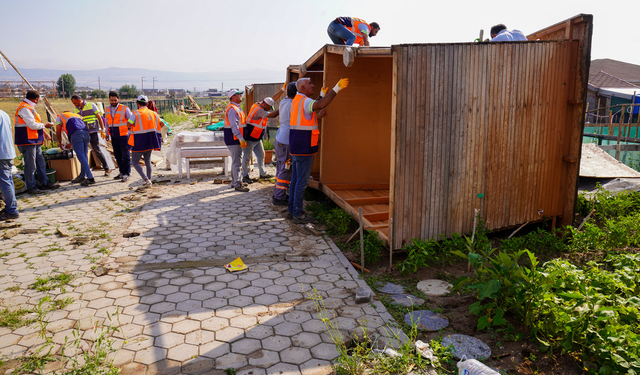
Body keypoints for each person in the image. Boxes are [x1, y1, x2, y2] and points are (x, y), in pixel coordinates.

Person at [288, 77, 349, 223]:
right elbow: (319, 104)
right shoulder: (305, 101)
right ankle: (298, 214)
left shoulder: (297, 100)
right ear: (303, 88)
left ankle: (292, 211)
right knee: (301, 183)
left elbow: (313, 107)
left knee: (295, 181)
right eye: (310, 83)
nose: (313, 84)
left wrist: (321, 94)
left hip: (297, 147)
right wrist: (336, 89)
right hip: (304, 148)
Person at [14, 90, 56, 194]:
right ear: (36, 99)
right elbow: (32, 125)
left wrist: (44, 133)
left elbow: (36, 124)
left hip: (34, 140)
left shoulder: (29, 107)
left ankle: (44, 182)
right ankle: (31, 186)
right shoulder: (24, 108)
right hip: (27, 141)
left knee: (40, 163)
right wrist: (45, 125)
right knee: (30, 165)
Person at [47, 112, 95, 186]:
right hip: (86, 133)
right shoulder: (76, 115)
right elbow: (79, 128)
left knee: (81, 156)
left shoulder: (60, 116)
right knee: (84, 156)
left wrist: (60, 143)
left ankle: (90, 178)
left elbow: (58, 132)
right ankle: (82, 176)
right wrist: (72, 143)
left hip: (76, 134)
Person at [242, 97, 279, 184]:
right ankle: (245, 176)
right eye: (269, 107)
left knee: (261, 154)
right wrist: (283, 108)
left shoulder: (259, 105)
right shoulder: (258, 110)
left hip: (257, 137)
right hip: (250, 137)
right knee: (247, 157)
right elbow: (272, 115)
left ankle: (262, 173)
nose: (269, 109)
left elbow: (273, 98)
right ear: (265, 104)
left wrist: (282, 90)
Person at [71, 95, 111, 176]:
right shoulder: (75, 110)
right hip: (83, 133)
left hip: (93, 132)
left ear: (79, 100)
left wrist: (103, 130)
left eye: (75, 103)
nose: (74, 105)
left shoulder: (91, 105)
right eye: (73, 103)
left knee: (97, 150)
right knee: (83, 153)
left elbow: (99, 117)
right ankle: (83, 172)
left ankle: (107, 168)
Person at [127, 95, 161, 187]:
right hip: (150, 141)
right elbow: (161, 123)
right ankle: (149, 180)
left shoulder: (135, 113)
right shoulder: (153, 113)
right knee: (148, 161)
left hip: (138, 141)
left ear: (137, 103)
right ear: (147, 104)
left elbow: (128, 124)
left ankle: (146, 179)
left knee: (134, 161)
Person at [272, 82, 297, 206]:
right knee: (286, 169)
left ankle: (278, 192)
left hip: (280, 138)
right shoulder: (294, 104)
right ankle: (279, 197)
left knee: (281, 166)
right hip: (286, 141)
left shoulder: (283, 102)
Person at [223, 90, 249, 192]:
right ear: (233, 97)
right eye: (239, 94)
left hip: (235, 139)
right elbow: (234, 126)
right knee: (236, 162)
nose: (241, 96)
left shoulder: (236, 108)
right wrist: (241, 138)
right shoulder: (233, 109)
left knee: (236, 161)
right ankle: (237, 183)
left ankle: (236, 181)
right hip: (234, 139)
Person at [105, 91, 133, 182]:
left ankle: (126, 173)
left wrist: (131, 133)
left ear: (118, 99)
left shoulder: (124, 108)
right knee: (117, 155)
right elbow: (106, 122)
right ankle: (121, 172)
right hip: (113, 134)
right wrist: (106, 133)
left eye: (115, 100)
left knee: (125, 155)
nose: (113, 102)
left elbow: (132, 121)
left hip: (124, 135)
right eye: (111, 100)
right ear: (109, 99)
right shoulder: (107, 109)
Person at [0, 109, 19, 220]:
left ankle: (12, 210)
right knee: (8, 181)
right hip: (8, 152)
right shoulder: (4, 113)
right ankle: (10, 207)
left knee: (5, 182)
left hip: (1, 154)